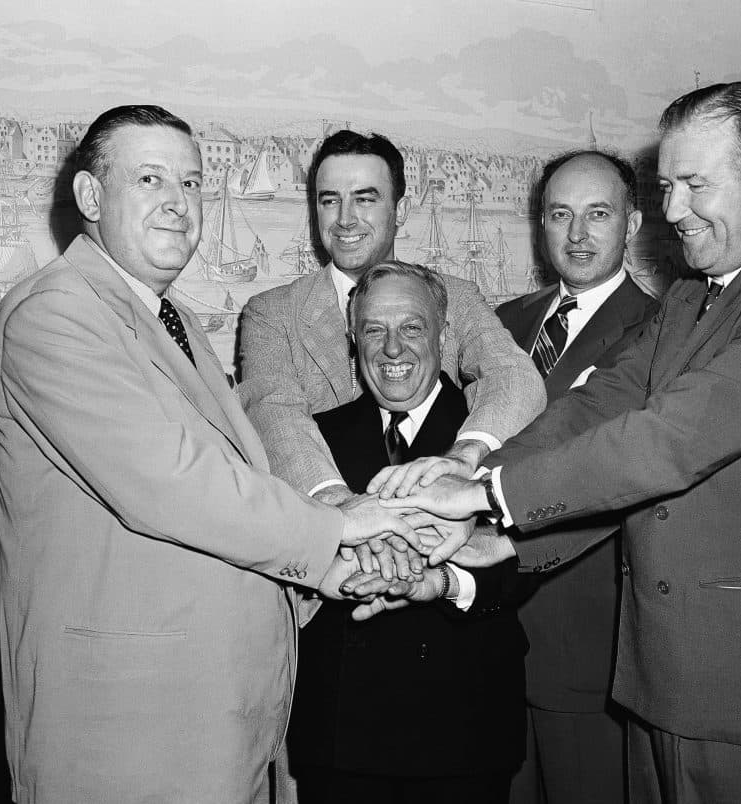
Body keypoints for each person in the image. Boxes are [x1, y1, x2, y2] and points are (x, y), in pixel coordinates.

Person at [383, 82, 741, 803]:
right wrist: (480, 480)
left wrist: (490, 497)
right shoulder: (691, 295)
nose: (674, 210)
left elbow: (665, 440)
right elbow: (599, 403)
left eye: (693, 184)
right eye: (667, 185)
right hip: (662, 674)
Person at [0, 105, 417, 804]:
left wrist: (327, 570)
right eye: (150, 179)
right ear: (91, 197)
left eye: (190, 183)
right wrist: (339, 524)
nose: (178, 204)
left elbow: (237, 474)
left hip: (214, 716)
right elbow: (172, 481)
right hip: (125, 734)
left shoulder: (173, 317)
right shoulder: (53, 313)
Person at [288, 260, 525, 804]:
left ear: (445, 337)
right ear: (354, 341)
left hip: (464, 739)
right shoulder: (312, 443)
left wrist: (447, 580)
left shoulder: (497, 433)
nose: (392, 350)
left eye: (412, 328)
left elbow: (533, 560)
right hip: (342, 745)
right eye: (374, 329)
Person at [238, 129, 545, 505]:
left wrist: (464, 457)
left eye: (365, 199)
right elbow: (275, 417)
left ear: (402, 210)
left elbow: (512, 376)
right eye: (330, 200)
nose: (345, 220)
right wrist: (342, 509)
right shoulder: (271, 315)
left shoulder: (457, 296)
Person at [496, 150, 658, 804]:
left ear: (633, 223)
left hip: (589, 640)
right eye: (560, 214)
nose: (578, 234)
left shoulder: (659, 332)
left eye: (599, 214)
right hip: (492, 635)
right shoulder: (503, 324)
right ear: (541, 224)